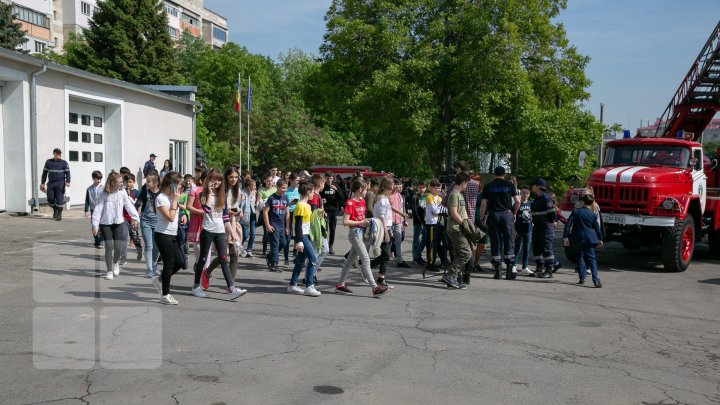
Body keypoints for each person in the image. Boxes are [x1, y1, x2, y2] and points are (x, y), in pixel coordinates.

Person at [190, 169, 247, 300]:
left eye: (219, 180)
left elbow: (225, 216)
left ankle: (231, 289)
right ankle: (196, 286)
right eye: (213, 179)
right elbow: (207, 210)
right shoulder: (203, 194)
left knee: (224, 258)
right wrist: (210, 193)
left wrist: (232, 233)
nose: (216, 182)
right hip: (207, 230)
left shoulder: (223, 195)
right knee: (202, 259)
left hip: (220, 231)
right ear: (209, 180)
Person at [335, 178, 389, 297]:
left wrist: (368, 221)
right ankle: (374, 287)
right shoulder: (350, 202)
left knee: (349, 261)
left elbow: (361, 218)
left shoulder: (362, 201)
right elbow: (345, 221)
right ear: (360, 189)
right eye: (365, 189)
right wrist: (361, 222)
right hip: (355, 233)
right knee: (365, 259)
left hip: (361, 232)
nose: (367, 191)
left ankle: (340, 284)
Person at [91, 172, 140, 280]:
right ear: (113, 182)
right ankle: (109, 271)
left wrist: (135, 217)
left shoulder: (122, 192)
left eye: (122, 182)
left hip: (119, 223)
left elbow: (129, 206)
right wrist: (95, 225)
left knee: (118, 247)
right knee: (109, 247)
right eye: (120, 182)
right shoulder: (104, 194)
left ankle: (115, 263)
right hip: (105, 224)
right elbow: (97, 210)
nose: (123, 184)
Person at [151, 171, 188, 304]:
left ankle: (160, 280)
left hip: (173, 234)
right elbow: (170, 217)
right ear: (170, 184)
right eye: (177, 185)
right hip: (162, 234)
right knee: (169, 263)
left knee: (180, 262)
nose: (179, 188)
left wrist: (184, 214)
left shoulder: (173, 197)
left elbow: (178, 212)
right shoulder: (161, 198)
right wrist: (176, 201)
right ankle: (165, 295)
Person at [478, 166, 520, 280]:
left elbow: (483, 204)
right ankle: (509, 272)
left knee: (495, 242)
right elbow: (517, 201)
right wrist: (514, 213)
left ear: (494, 174)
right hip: (507, 215)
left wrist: (482, 218)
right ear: (504, 174)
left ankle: (497, 272)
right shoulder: (509, 185)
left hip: (494, 215)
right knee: (509, 241)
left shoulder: (488, 186)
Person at [287, 181, 321, 297]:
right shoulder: (301, 205)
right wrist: (299, 241)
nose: (313, 194)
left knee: (300, 261)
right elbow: (298, 224)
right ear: (308, 192)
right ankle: (309, 285)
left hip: (305, 235)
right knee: (312, 259)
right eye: (312, 192)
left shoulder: (306, 205)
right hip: (303, 236)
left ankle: (293, 284)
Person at [563, 194, 604, 288]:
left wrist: (566, 238)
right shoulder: (593, 214)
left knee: (579, 257)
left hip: (577, 238)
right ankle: (596, 280)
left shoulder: (575, 211)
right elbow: (597, 228)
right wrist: (600, 238)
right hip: (590, 239)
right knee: (592, 259)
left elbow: (568, 225)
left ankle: (582, 278)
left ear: (582, 202)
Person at [443, 172, 473, 289]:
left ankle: (452, 280)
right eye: (467, 183)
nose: (467, 186)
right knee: (466, 254)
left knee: (459, 255)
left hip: (459, 228)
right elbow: (454, 213)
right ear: (463, 182)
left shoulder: (459, 195)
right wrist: (464, 224)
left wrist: (468, 225)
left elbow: (463, 213)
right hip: (455, 229)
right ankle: (450, 275)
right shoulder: (454, 195)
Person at [530, 178, 557, 278]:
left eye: (533, 185)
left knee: (546, 249)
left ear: (538, 186)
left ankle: (549, 270)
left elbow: (552, 213)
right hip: (537, 226)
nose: (531, 187)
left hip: (545, 227)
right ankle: (539, 268)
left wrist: (549, 222)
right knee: (536, 248)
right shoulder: (537, 198)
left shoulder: (546, 198)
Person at [135, 173, 161, 278]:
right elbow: (137, 204)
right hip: (145, 220)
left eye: (149, 181)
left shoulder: (162, 193)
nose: (147, 183)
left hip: (159, 221)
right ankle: (149, 268)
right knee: (149, 245)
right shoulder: (144, 192)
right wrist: (134, 217)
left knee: (157, 246)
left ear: (155, 183)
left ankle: (154, 265)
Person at [370, 176, 395, 287]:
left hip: (387, 228)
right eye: (393, 185)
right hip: (382, 229)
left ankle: (381, 278)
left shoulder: (384, 198)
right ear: (388, 186)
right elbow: (382, 218)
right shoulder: (383, 200)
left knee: (386, 256)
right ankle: (368, 266)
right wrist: (386, 233)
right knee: (386, 255)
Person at [263, 179, 290, 272]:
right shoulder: (272, 198)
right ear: (277, 187)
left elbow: (287, 213)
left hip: (282, 224)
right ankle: (274, 263)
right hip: (273, 223)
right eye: (283, 188)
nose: (285, 190)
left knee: (284, 243)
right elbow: (265, 211)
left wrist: (287, 227)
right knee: (275, 243)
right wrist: (267, 225)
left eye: (286, 188)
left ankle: (270, 255)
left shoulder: (286, 198)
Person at [424, 179, 448, 277]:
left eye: (439, 187)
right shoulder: (429, 197)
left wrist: (442, 209)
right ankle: (430, 263)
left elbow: (444, 209)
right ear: (431, 187)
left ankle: (442, 260)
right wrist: (442, 209)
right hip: (431, 223)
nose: (438, 189)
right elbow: (435, 211)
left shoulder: (439, 198)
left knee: (436, 243)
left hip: (437, 223)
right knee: (431, 244)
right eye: (436, 187)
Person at [40, 148, 71, 221]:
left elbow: (68, 173)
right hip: (51, 183)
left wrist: (68, 181)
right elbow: (44, 173)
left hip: (60, 183)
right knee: (50, 198)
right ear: (54, 154)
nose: (58, 155)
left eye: (59, 154)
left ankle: (59, 215)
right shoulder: (48, 162)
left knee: (60, 199)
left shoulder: (64, 163)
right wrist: (42, 183)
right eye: (57, 154)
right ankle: (55, 209)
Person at [320, 171, 344, 255]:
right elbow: (319, 195)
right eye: (327, 178)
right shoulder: (323, 186)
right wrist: (322, 200)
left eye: (331, 178)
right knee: (324, 228)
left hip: (334, 210)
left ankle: (331, 245)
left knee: (332, 229)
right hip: (325, 210)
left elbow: (342, 197)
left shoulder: (335, 185)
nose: (329, 180)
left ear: (333, 178)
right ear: (325, 178)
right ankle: (323, 244)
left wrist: (336, 190)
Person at [512, 185, 534, 276]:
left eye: (527, 193)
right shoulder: (517, 204)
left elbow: (532, 215)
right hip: (518, 229)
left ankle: (525, 266)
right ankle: (513, 265)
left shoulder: (531, 204)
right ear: (520, 194)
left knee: (526, 249)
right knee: (517, 248)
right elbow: (512, 218)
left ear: (529, 194)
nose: (525, 195)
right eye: (523, 193)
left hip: (528, 230)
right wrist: (513, 230)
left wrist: (533, 222)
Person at [390, 178, 411, 268]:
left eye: (400, 186)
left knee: (398, 241)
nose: (398, 187)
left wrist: (403, 221)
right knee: (386, 242)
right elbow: (390, 207)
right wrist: (401, 214)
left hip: (398, 221)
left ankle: (400, 261)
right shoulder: (388, 195)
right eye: (396, 185)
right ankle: (382, 260)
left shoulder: (399, 195)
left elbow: (402, 208)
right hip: (389, 221)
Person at [123, 173, 143, 262]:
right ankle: (123, 256)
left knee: (134, 236)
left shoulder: (137, 192)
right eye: (127, 182)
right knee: (123, 237)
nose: (128, 184)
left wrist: (128, 196)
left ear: (134, 182)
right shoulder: (122, 191)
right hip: (123, 217)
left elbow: (135, 205)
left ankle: (139, 251)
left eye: (130, 182)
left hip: (133, 218)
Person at [84, 171, 104, 248]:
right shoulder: (89, 189)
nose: (99, 180)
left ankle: (101, 241)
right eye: (97, 179)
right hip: (93, 209)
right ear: (93, 178)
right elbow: (87, 200)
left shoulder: (103, 188)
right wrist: (86, 210)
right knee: (94, 225)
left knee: (101, 225)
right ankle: (96, 240)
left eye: (100, 179)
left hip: (102, 209)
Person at [411, 181, 427, 265]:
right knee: (416, 239)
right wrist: (421, 222)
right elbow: (416, 211)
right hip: (418, 222)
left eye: (423, 187)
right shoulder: (415, 197)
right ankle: (415, 257)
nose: (422, 189)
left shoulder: (425, 197)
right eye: (420, 187)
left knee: (425, 239)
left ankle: (418, 254)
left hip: (425, 223)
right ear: (417, 188)